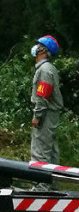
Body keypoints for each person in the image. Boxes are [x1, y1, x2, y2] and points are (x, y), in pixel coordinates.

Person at [30, 35, 63, 166]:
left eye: (38, 45)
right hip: (50, 113)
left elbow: (43, 96)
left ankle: (41, 186)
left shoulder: (44, 70)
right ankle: (52, 184)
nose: (35, 49)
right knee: (51, 150)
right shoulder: (48, 69)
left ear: (43, 50)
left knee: (40, 151)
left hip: (46, 114)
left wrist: (37, 116)